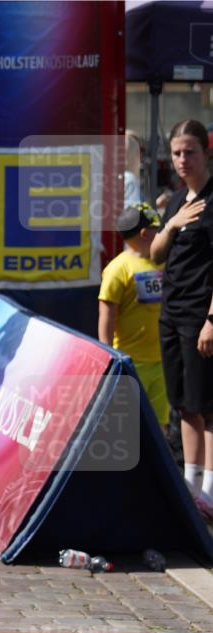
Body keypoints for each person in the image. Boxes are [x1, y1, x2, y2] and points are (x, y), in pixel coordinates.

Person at [150, 119, 213, 519]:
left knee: (208, 407)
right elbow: (156, 254)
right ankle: (192, 488)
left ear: (206, 152)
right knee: (184, 405)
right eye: (176, 153)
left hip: (200, 316)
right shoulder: (175, 200)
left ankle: (210, 491)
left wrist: (212, 320)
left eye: (190, 151)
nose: (182, 159)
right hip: (171, 314)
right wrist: (171, 224)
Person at [98, 202, 169, 429]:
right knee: (129, 424)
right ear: (145, 233)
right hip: (132, 363)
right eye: (158, 229)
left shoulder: (163, 263)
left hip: (162, 360)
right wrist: (108, 355)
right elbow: (107, 315)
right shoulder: (118, 269)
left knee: (159, 423)